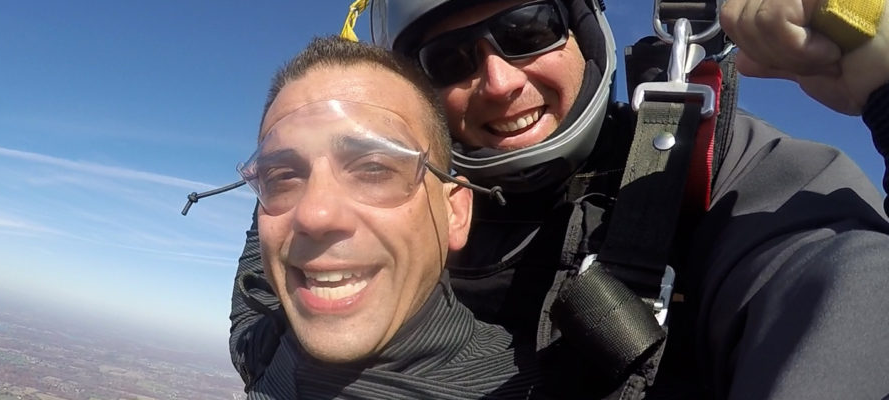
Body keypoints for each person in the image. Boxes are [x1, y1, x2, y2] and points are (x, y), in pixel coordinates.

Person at [217, 0, 889, 398]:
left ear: (587, 30)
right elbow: (260, 304)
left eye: (530, 26)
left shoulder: (710, 178)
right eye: (448, 60)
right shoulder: (379, 215)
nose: (501, 81)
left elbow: (847, 285)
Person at [238, 36, 546, 399]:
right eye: (284, 177)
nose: (314, 214)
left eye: (373, 168)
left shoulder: (541, 390)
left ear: (455, 212)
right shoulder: (260, 345)